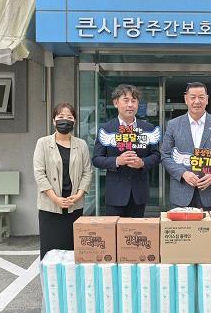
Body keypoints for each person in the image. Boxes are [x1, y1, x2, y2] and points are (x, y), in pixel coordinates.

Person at [161, 81, 211, 210]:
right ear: (186, 99)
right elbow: (165, 155)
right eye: (193, 97)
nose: (197, 101)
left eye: (201, 97)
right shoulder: (173, 125)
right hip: (181, 193)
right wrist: (183, 173)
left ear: (207, 99)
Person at [33, 101, 92, 258]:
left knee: (72, 249)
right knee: (50, 250)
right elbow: (39, 173)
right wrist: (55, 198)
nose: (65, 120)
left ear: (74, 121)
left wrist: (78, 195)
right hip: (50, 205)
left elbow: (87, 172)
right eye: (60, 117)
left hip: (74, 204)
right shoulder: (43, 143)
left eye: (69, 117)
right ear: (54, 121)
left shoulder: (81, 145)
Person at [92, 84, 161, 217]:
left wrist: (142, 163)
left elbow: (156, 155)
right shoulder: (106, 128)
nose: (130, 105)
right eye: (126, 100)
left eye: (134, 101)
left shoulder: (148, 128)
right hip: (115, 193)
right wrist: (117, 161)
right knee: (113, 229)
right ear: (115, 103)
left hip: (139, 193)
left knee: (135, 229)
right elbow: (96, 159)